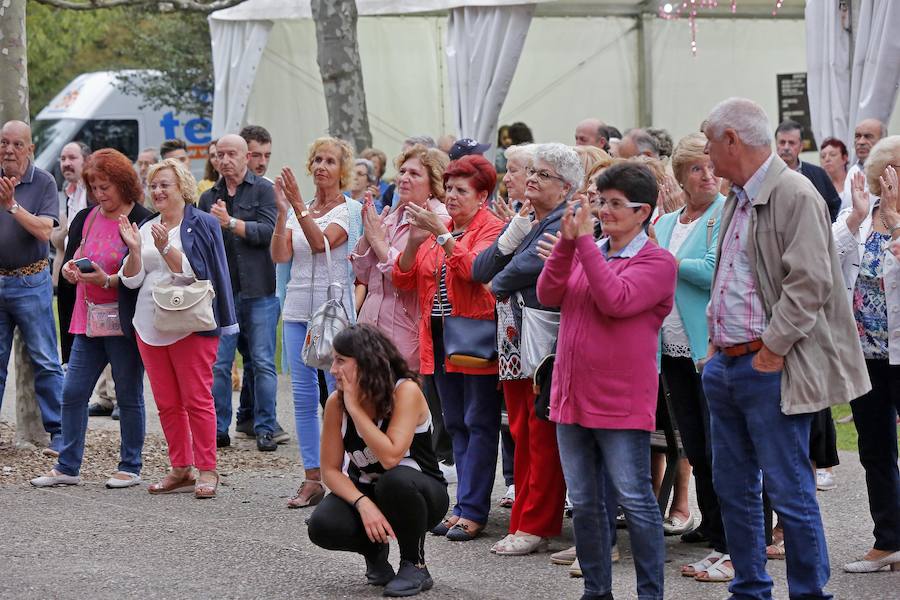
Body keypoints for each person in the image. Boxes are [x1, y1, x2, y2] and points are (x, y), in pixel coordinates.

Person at [700, 97, 869, 599]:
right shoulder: (740, 195)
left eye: (712, 143)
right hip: (730, 363)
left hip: (765, 365)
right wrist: (716, 345)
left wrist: (770, 352)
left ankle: (808, 593)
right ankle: (749, 587)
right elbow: (732, 276)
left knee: (788, 489)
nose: (708, 155)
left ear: (733, 140)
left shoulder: (793, 192)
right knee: (733, 488)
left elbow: (811, 283)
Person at [537, 162, 675, 600]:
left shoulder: (658, 261)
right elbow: (547, 294)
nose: (605, 211)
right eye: (602, 202)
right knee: (586, 504)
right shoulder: (588, 248)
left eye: (617, 204)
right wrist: (566, 245)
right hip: (571, 397)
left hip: (619, 402)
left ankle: (650, 594)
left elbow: (615, 300)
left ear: (643, 212)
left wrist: (584, 248)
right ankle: (597, 592)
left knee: (635, 500)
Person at [472, 143, 579, 556]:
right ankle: (523, 519)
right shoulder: (528, 219)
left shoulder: (561, 221)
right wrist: (512, 232)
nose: (532, 179)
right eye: (530, 171)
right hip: (515, 340)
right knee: (520, 430)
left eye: (543, 174)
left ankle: (537, 523)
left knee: (541, 433)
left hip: (543, 342)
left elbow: (505, 278)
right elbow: (482, 269)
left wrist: (499, 278)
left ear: (567, 187)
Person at [393, 154, 505, 541]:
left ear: (483, 196)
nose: (452, 197)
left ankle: (474, 509)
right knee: (453, 423)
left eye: (462, 191)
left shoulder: (491, 229)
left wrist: (442, 235)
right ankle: (460, 508)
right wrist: (413, 239)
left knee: (479, 422)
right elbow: (404, 278)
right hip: (437, 336)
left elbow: (476, 270)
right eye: (450, 189)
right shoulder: (442, 227)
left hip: (473, 335)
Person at [30, 148, 151, 489]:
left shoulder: (142, 218)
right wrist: (71, 271)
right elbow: (72, 258)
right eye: (94, 187)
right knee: (72, 392)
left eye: (106, 187)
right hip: (88, 320)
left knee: (128, 395)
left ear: (124, 184)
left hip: (123, 323)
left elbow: (141, 275)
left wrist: (107, 279)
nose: (100, 195)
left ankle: (130, 465)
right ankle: (68, 466)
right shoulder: (86, 217)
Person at [119, 158, 237, 499]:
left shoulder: (201, 223)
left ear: (181, 187)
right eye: (153, 185)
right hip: (150, 324)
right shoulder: (145, 226)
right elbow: (132, 280)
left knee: (197, 398)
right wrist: (134, 251)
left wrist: (165, 248)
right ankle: (181, 467)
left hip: (190, 324)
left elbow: (198, 274)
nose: (157, 191)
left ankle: (207, 469)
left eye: (164, 185)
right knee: (168, 402)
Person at [653, 133, 730, 581]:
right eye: (697, 169)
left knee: (722, 447)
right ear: (681, 177)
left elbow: (712, 269)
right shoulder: (666, 222)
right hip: (671, 350)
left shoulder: (724, 215)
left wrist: (666, 261)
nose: (708, 176)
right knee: (695, 446)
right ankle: (711, 529)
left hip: (708, 346)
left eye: (711, 167)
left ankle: (732, 540)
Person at [271, 136, 361, 508]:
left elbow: (323, 242)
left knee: (339, 394)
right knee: (304, 398)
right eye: (318, 160)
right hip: (297, 309)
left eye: (330, 161)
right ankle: (312, 477)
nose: (322, 167)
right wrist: (282, 213)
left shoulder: (349, 209)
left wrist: (296, 207)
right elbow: (281, 255)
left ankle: (340, 472)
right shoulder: (299, 208)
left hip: (332, 310)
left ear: (343, 170)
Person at [833, 135, 900, 573]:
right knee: (875, 450)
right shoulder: (857, 216)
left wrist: (895, 225)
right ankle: (888, 540)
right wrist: (857, 219)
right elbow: (829, 260)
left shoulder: (894, 220)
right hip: (864, 355)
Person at [199, 134, 280, 452]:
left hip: (259, 289)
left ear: (247, 156)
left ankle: (265, 427)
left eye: (231, 154)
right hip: (222, 293)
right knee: (219, 364)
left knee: (261, 361)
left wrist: (231, 222)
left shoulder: (264, 190)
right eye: (220, 155)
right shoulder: (208, 197)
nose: (224, 160)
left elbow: (268, 232)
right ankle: (219, 428)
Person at [0, 120, 64, 455]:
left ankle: (60, 432)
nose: (9, 150)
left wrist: (12, 205)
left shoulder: (43, 182)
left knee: (45, 358)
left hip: (30, 281)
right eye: (4, 143)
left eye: (16, 144)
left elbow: (45, 231)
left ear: (30, 148)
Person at [775, 120, 840, 221]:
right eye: (782, 142)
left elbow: (835, 206)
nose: (786, 147)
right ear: (776, 145)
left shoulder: (819, 174)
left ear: (801, 146)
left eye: (791, 143)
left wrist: (824, 229)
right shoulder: (766, 176)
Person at [842, 118, 886, 210]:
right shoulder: (853, 171)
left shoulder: (892, 171)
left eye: (868, 136)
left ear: (883, 141)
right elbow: (846, 211)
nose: (861, 142)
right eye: (857, 136)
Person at [819, 137, 850, 209]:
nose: (827, 159)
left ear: (845, 158)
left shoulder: (855, 181)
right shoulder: (820, 187)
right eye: (823, 156)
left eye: (832, 155)